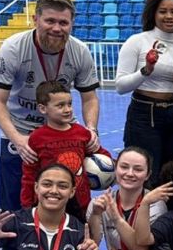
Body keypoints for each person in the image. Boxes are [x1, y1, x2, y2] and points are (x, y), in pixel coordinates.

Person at [0, 0, 100, 213]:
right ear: (35, 20)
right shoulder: (13, 49)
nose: (57, 28)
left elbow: (89, 98)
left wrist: (91, 130)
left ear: (71, 24)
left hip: (62, 131)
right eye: (50, 21)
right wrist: (18, 140)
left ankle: (69, 244)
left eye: (63, 22)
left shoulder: (80, 51)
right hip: (21, 132)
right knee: (15, 205)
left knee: (71, 199)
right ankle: (15, 246)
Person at [114, 0, 173, 180]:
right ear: (153, 14)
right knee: (145, 173)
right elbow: (120, 86)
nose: (169, 16)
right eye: (163, 11)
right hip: (143, 115)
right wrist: (146, 70)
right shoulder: (137, 42)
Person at [20, 81, 110, 220]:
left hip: (81, 203)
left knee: (82, 238)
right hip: (50, 204)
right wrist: (27, 206)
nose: (67, 109)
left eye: (69, 104)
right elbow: (29, 174)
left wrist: (111, 166)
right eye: (60, 105)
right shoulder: (37, 138)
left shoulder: (82, 133)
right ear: (43, 109)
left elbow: (102, 156)